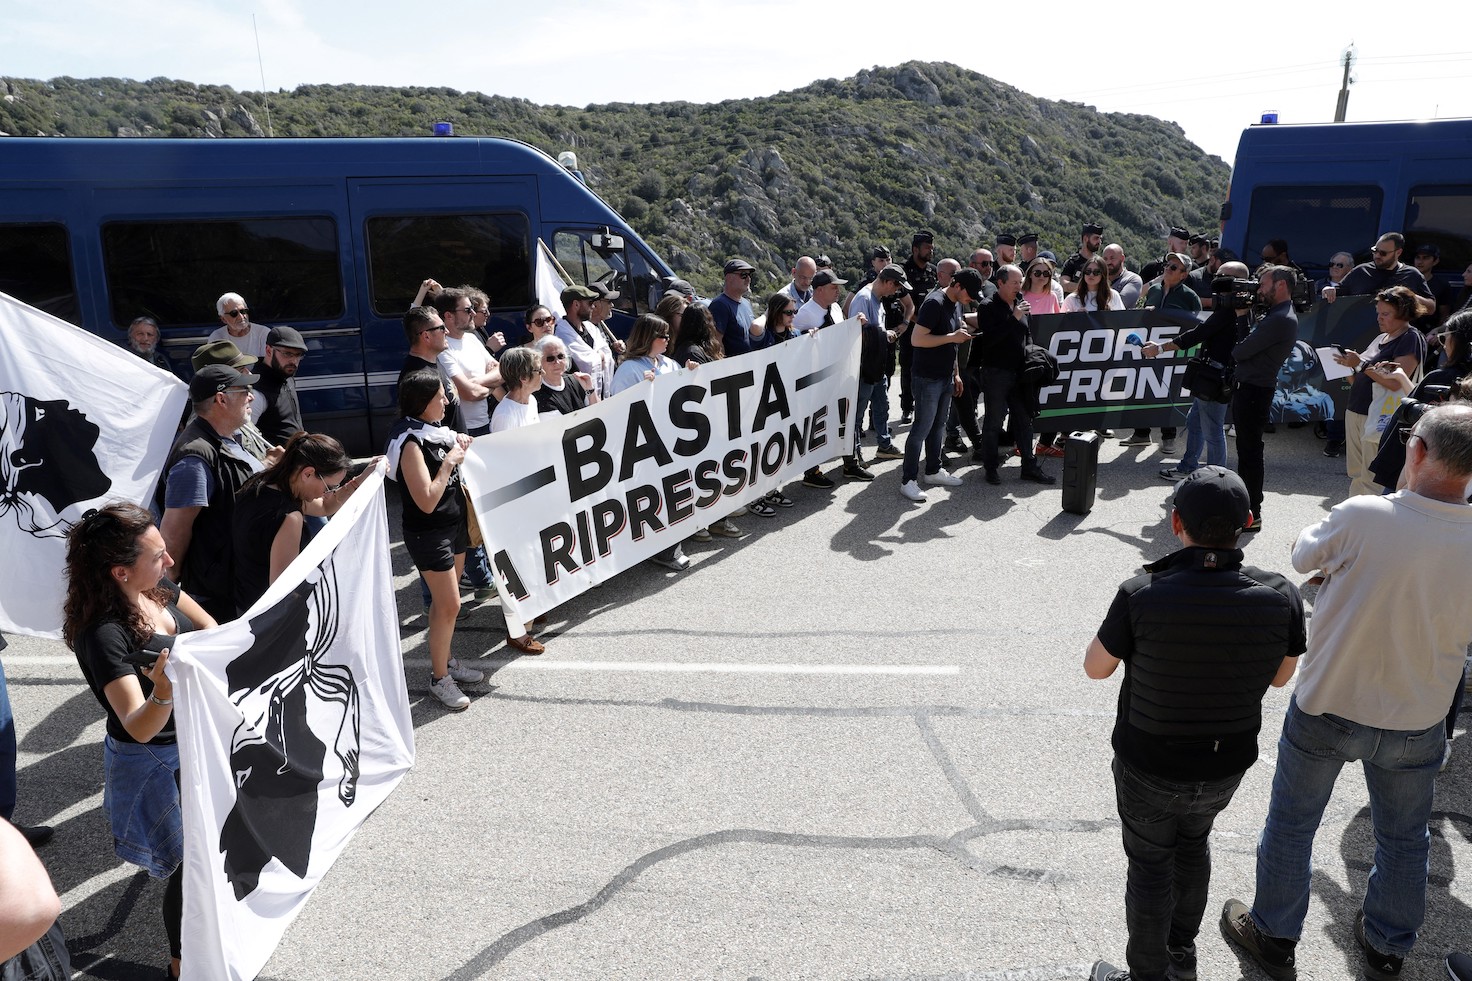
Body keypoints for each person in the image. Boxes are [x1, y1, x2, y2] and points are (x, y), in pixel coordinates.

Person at [1222, 403, 1472, 981]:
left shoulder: (1364, 515)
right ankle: (1388, 945)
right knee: (1405, 837)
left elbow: (1302, 557)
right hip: (1419, 712)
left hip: (1331, 700)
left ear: (1417, 451)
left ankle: (1275, 933)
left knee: (1291, 825)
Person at [1085, 466, 1303, 981]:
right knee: (1193, 844)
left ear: (1175, 521)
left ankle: (1148, 974)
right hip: (1224, 763)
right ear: (1247, 522)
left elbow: (1096, 667)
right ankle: (1181, 950)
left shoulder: (1143, 590)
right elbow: (1279, 678)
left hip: (1149, 763)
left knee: (1150, 866)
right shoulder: (1280, 594)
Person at [64, 503, 220, 979]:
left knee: (208, 850)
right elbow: (137, 724)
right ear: (120, 571)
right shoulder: (103, 634)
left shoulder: (157, 585)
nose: (170, 562)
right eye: (158, 555)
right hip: (152, 759)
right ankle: (182, 964)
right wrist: (166, 691)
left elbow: (210, 629)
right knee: (186, 866)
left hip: (195, 738)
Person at [386, 369, 493, 711]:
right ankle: (438, 680)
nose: (447, 402)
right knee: (450, 606)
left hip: (454, 526)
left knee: (443, 605)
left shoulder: (435, 432)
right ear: (422, 403)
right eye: (440, 397)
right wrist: (449, 462)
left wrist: (458, 447)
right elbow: (427, 500)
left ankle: (445, 662)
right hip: (429, 533)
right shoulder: (410, 442)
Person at [156, 364, 264, 623]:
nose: (251, 396)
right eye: (244, 390)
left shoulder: (225, 439)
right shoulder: (194, 456)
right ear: (221, 399)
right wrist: (167, 592)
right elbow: (174, 531)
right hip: (222, 592)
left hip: (244, 580)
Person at [231, 432, 369, 614]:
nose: (327, 493)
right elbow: (283, 590)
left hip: (243, 601)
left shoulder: (260, 483)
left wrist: (362, 479)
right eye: (329, 487)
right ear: (308, 473)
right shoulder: (290, 518)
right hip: (266, 622)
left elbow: (325, 506)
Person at [1144, 261, 1252, 481]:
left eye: (1224, 276)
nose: (1217, 278)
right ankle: (1188, 467)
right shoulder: (1235, 307)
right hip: (1211, 374)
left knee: (1213, 431)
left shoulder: (1232, 311)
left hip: (1216, 377)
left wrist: (1160, 348)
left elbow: (1197, 334)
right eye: (1218, 274)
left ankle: (1216, 480)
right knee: (1195, 422)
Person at [610, 315, 696, 571]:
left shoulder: (669, 363)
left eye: (669, 335)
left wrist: (691, 373)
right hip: (645, 445)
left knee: (672, 491)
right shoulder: (629, 369)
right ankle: (663, 550)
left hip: (671, 439)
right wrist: (640, 390)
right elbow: (618, 407)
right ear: (648, 338)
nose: (668, 340)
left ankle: (668, 546)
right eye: (663, 336)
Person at [1331, 285, 1428, 496]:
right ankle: (1355, 516)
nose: (1379, 318)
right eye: (1378, 313)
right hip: (1356, 410)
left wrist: (1362, 365)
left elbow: (1396, 382)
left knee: (1372, 477)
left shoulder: (1411, 337)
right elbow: (1359, 377)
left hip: (1380, 415)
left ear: (1403, 313)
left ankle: (1367, 522)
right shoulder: (1380, 338)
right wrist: (1347, 366)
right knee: (1357, 473)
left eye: (1386, 314)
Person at [1228, 266, 1301, 530]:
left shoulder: (1280, 318)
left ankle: (1251, 512)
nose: (1259, 289)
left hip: (1254, 391)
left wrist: (1240, 318)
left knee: (1249, 452)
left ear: (1280, 285)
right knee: (1247, 451)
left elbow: (1240, 350)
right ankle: (1247, 509)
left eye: (1263, 284)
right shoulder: (1276, 314)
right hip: (1252, 388)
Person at [898, 266, 979, 502]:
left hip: (944, 376)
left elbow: (951, 343)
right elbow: (917, 339)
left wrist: (955, 373)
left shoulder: (956, 303)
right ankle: (908, 481)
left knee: (939, 426)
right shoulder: (934, 303)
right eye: (969, 293)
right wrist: (953, 337)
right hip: (927, 377)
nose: (971, 299)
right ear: (957, 285)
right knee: (921, 428)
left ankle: (933, 471)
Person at [970, 265, 1056, 487]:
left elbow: (1026, 333)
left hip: (1019, 373)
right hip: (996, 372)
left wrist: (1031, 355)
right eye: (1015, 283)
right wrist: (1014, 317)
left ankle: (1029, 466)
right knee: (993, 421)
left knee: (1024, 420)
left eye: (1020, 282)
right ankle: (990, 467)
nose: (1019, 287)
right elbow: (991, 339)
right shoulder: (988, 306)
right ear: (1000, 282)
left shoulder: (1019, 302)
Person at [1123, 255, 1200, 453]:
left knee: (1168, 392)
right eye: (1167, 265)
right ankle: (1141, 433)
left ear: (1184, 275)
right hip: (1148, 349)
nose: (1168, 269)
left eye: (1174, 267)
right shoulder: (1154, 290)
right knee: (1143, 389)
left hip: (1172, 352)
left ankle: (1169, 436)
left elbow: (1197, 326)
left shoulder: (1190, 297)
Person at [847, 266, 908, 464]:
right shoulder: (863, 299)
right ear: (889, 283)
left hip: (877, 365)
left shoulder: (877, 299)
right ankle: (853, 455)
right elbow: (856, 334)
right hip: (865, 368)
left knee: (882, 407)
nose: (896, 292)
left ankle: (884, 446)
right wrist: (886, 334)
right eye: (896, 287)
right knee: (858, 414)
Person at [434, 290, 502, 436]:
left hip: (485, 424)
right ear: (448, 316)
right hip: (461, 432)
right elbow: (469, 393)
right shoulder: (443, 348)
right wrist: (490, 385)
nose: (473, 313)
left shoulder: (472, 339)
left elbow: (501, 371)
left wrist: (476, 381)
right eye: (467, 310)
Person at [1323, 232, 1433, 304]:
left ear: (1398, 252)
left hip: (1395, 335)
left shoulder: (1412, 274)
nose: (1377, 256)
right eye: (1375, 251)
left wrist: (1409, 296)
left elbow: (1431, 307)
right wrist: (1327, 290)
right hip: (1362, 334)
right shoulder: (1361, 271)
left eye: (1383, 253)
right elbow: (1336, 294)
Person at [899, 231, 940, 424]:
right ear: (915, 249)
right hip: (911, 329)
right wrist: (919, 322)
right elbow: (901, 302)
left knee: (930, 368)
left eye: (932, 247)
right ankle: (907, 407)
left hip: (932, 329)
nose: (930, 251)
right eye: (926, 247)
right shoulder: (903, 271)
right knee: (908, 369)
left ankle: (928, 406)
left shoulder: (933, 271)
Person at [554, 284, 618, 399]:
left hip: (603, 395)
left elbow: (606, 351)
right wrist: (599, 356)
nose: (593, 307)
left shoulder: (591, 327)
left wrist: (600, 355)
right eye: (589, 303)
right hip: (581, 397)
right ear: (576, 304)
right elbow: (584, 361)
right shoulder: (561, 333)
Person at [250, 326, 309, 447]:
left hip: (297, 457)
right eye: (287, 354)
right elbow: (245, 436)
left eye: (298, 355)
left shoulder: (287, 375)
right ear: (268, 351)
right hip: (276, 463)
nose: (293, 360)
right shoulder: (257, 391)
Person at [709, 258, 769, 358]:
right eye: (743, 275)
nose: (748, 279)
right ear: (729, 278)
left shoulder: (746, 303)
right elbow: (716, 342)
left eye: (749, 275)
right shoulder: (719, 305)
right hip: (735, 368)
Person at [1269, 341, 1336, 425]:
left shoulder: (1321, 399)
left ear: (1308, 364)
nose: (1284, 361)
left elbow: (1329, 425)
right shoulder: (1271, 391)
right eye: (1284, 356)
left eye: (1291, 356)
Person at [532, 335, 599, 417]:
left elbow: (598, 412)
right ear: (539, 362)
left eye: (560, 356)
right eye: (550, 358)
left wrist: (590, 389)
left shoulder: (577, 381)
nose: (557, 362)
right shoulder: (536, 393)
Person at [206, 292, 269, 358]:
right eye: (234, 313)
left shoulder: (263, 334)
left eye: (243, 311)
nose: (241, 317)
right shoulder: (217, 338)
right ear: (223, 319)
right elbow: (215, 367)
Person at [1060, 221, 1105, 293]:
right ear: (1085, 238)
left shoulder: (1100, 263)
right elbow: (1064, 285)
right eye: (1096, 238)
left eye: (1100, 239)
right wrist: (1088, 288)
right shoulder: (1072, 262)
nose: (1099, 242)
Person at [1104, 243, 1144, 310]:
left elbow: (1119, 304)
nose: (1108, 262)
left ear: (1122, 258)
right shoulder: (1098, 278)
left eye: (1112, 258)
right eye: (1105, 259)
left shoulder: (1132, 279)